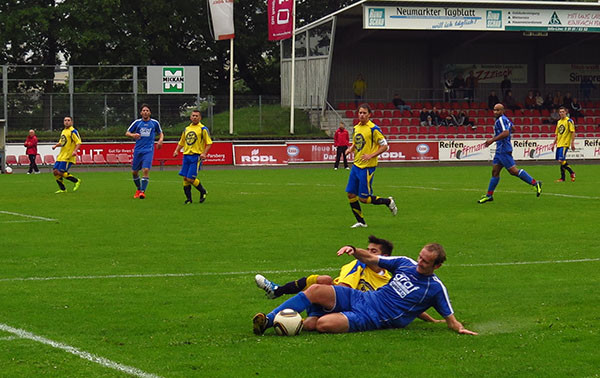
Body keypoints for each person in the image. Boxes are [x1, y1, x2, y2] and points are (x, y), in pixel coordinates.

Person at [252, 242, 477, 335]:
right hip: (362, 298)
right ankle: (269, 321)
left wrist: (458, 328)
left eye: (425, 262)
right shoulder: (405, 263)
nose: (419, 263)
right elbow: (371, 257)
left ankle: (305, 320)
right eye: (420, 257)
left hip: (373, 318)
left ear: (436, 266)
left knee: (321, 324)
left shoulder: (435, 288)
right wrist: (353, 249)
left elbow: (451, 320)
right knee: (317, 289)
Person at [344, 104, 397, 228]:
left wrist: (371, 155)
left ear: (369, 115)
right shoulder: (356, 127)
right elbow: (356, 141)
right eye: (360, 113)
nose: (361, 115)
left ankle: (388, 201)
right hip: (356, 166)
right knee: (351, 194)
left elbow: (385, 146)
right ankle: (361, 222)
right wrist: (351, 149)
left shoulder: (374, 129)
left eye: (364, 113)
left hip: (367, 167)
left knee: (364, 199)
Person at [478, 104, 542, 203]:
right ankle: (489, 195)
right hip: (500, 150)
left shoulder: (501, 120)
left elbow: (506, 132)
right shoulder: (505, 119)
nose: (495, 112)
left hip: (503, 150)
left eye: (497, 110)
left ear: (502, 111)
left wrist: (492, 140)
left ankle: (535, 183)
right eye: (494, 110)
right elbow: (513, 129)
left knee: (513, 171)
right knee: (495, 172)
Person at [172, 109, 212, 204]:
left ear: (200, 118)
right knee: (185, 178)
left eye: (196, 116)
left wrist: (204, 153)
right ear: (190, 117)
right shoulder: (187, 129)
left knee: (190, 178)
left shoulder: (203, 129)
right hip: (186, 155)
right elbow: (182, 141)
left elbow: (209, 143)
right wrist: (177, 150)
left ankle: (203, 191)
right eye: (193, 115)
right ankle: (189, 199)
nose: (194, 117)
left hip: (196, 156)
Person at [126, 104, 164, 199]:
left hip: (148, 150)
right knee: (134, 172)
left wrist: (160, 140)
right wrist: (133, 135)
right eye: (144, 110)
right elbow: (127, 132)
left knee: (146, 170)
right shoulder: (137, 123)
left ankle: (142, 192)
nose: (145, 112)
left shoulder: (154, 123)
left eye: (147, 110)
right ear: (141, 113)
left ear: (150, 112)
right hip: (138, 150)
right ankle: (139, 189)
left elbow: (161, 133)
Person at [51, 116, 82, 193]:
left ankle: (76, 181)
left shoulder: (73, 131)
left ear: (71, 122)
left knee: (60, 172)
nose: (66, 122)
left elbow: (79, 142)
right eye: (65, 120)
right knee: (55, 171)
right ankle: (63, 189)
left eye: (68, 120)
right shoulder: (63, 131)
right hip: (61, 155)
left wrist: (75, 151)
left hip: (68, 155)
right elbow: (62, 142)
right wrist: (56, 146)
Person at [552, 106, 576, 183]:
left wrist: (572, 143)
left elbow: (573, 132)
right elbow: (557, 134)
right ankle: (563, 178)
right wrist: (553, 144)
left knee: (561, 160)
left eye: (563, 112)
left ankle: (572, 172)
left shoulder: (569, 121)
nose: (561, 113)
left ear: (566, 112)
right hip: (559, 144)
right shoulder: (559, 122)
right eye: (560, 112)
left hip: (565, 143)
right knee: (561, 161)